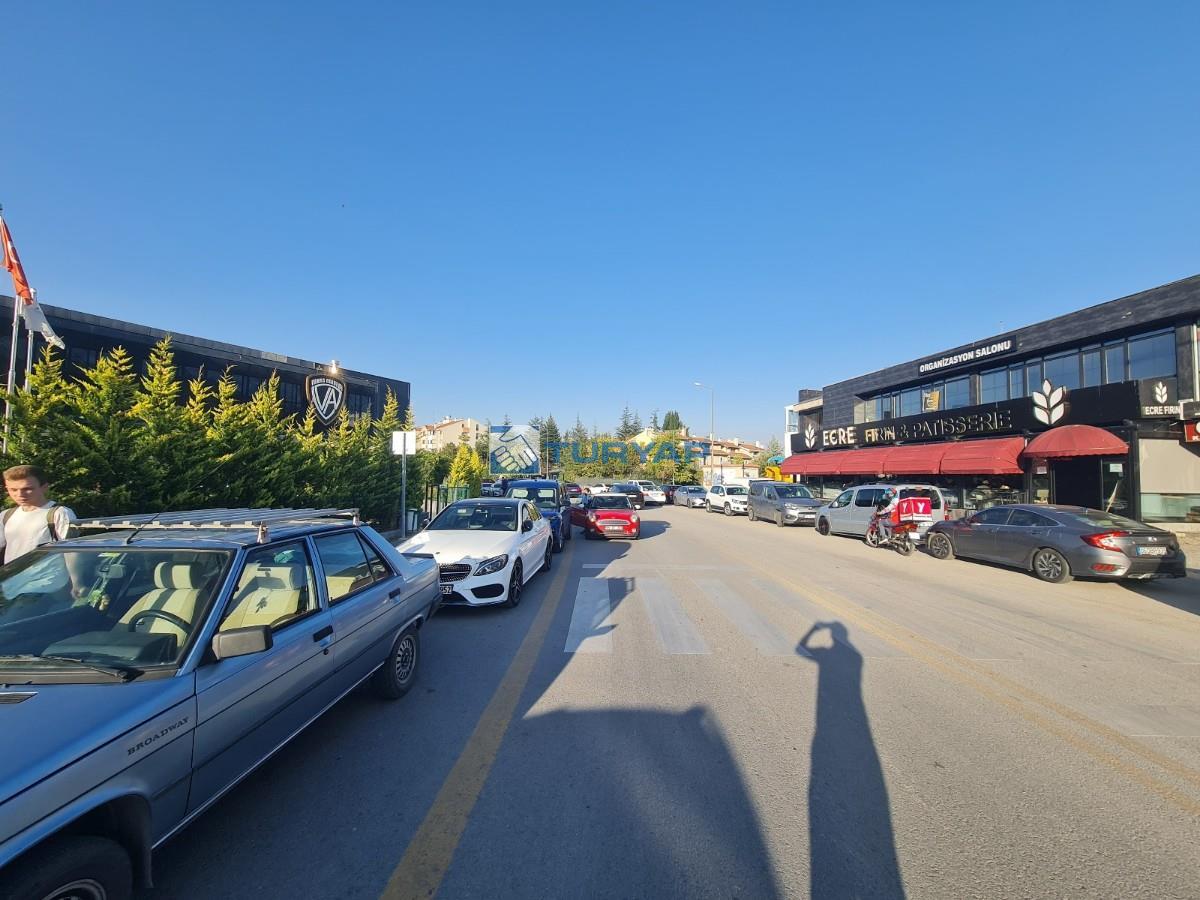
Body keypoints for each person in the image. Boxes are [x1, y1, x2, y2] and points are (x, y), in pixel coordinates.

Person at [1, 464, 76, 565]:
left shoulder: (59, 513)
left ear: (44, 487)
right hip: (14, 574)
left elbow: (71, 552)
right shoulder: (6, 515)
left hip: (49, 574)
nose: (20, 494)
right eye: (13, 490)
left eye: (27, 489)